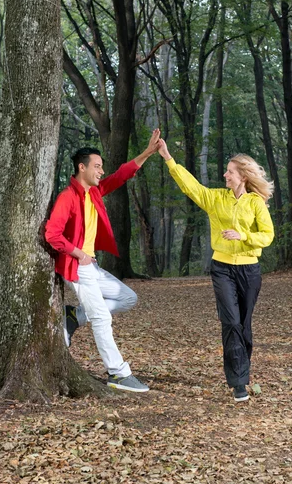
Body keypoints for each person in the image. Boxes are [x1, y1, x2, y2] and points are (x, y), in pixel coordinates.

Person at [158, 139, 274, 402]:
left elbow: (267, 235)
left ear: (243, 176)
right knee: (230, 321)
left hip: (249, 270)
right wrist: (168, 158)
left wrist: (243, 235)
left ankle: (242, 369)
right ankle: (238, 382)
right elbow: (191, 187)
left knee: (244, 324)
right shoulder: (215, 199)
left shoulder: (255, 202)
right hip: (222, 269)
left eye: (229, 171)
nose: (225, 175)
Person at [45, 129, 161, 393]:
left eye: (102, 167)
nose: (101, 171)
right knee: (101, 318)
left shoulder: (93, 193)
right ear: (81, 167)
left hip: (92, 266)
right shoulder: (68, 197)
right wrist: (78, 253)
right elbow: (52, 234)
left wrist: (148, 152)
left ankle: (74, 315)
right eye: (96, 166)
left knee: (128, 298)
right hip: (78, 267)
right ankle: (117, 373)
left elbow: (121, 175)